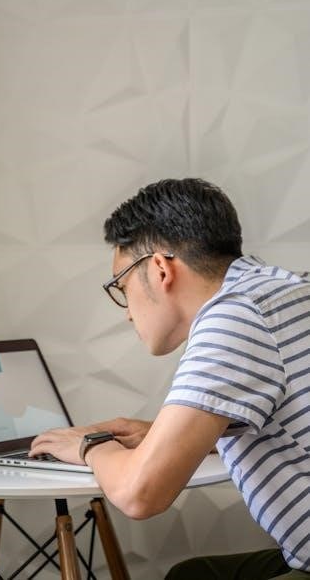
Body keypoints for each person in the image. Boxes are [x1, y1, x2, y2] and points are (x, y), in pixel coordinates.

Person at [30, 178, 310, 579]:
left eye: (121, 286)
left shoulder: (234, 317)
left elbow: (139, 495)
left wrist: (90, 445)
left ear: (160, 268)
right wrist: (162, 437)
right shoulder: (284, 289)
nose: (127, 311)